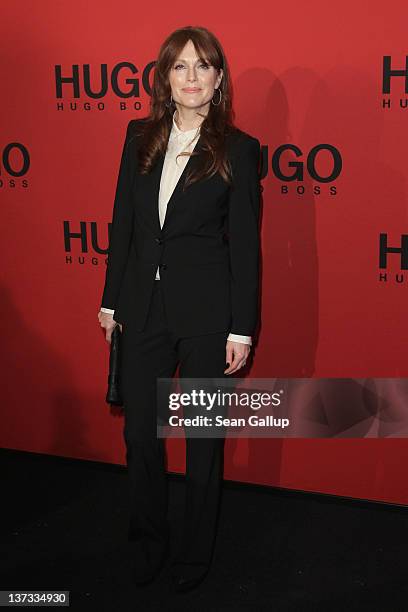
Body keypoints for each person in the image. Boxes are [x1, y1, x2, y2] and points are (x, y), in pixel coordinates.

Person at [97, 25, 262, 592]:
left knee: (201, 442)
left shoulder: (239, 150)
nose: (191, 77)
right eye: (180, 67)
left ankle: (194, 557)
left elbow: (244, 244)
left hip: (206, 317)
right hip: (142, 308)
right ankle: (148, 543)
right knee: (140, 436)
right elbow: (123, 224)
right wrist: (110, 297)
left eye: (203, 66)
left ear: (219, 79)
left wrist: (241, 327)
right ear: (164, 78)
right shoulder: (137, 136)